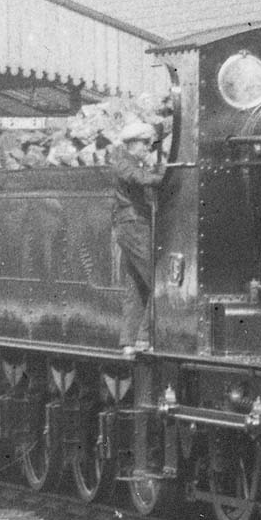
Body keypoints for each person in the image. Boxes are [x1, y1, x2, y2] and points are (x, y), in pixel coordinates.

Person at [112, 121, 165, 355]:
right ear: (135, 143)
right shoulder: (123, 162)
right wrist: (166, 175)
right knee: (156, 279)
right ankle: (145, 337)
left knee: (136, 285)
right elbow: (140, 179)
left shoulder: (134, 162)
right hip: (134, 225)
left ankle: (128, 341)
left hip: (134, 225)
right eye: (146, 143)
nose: (149, 148)